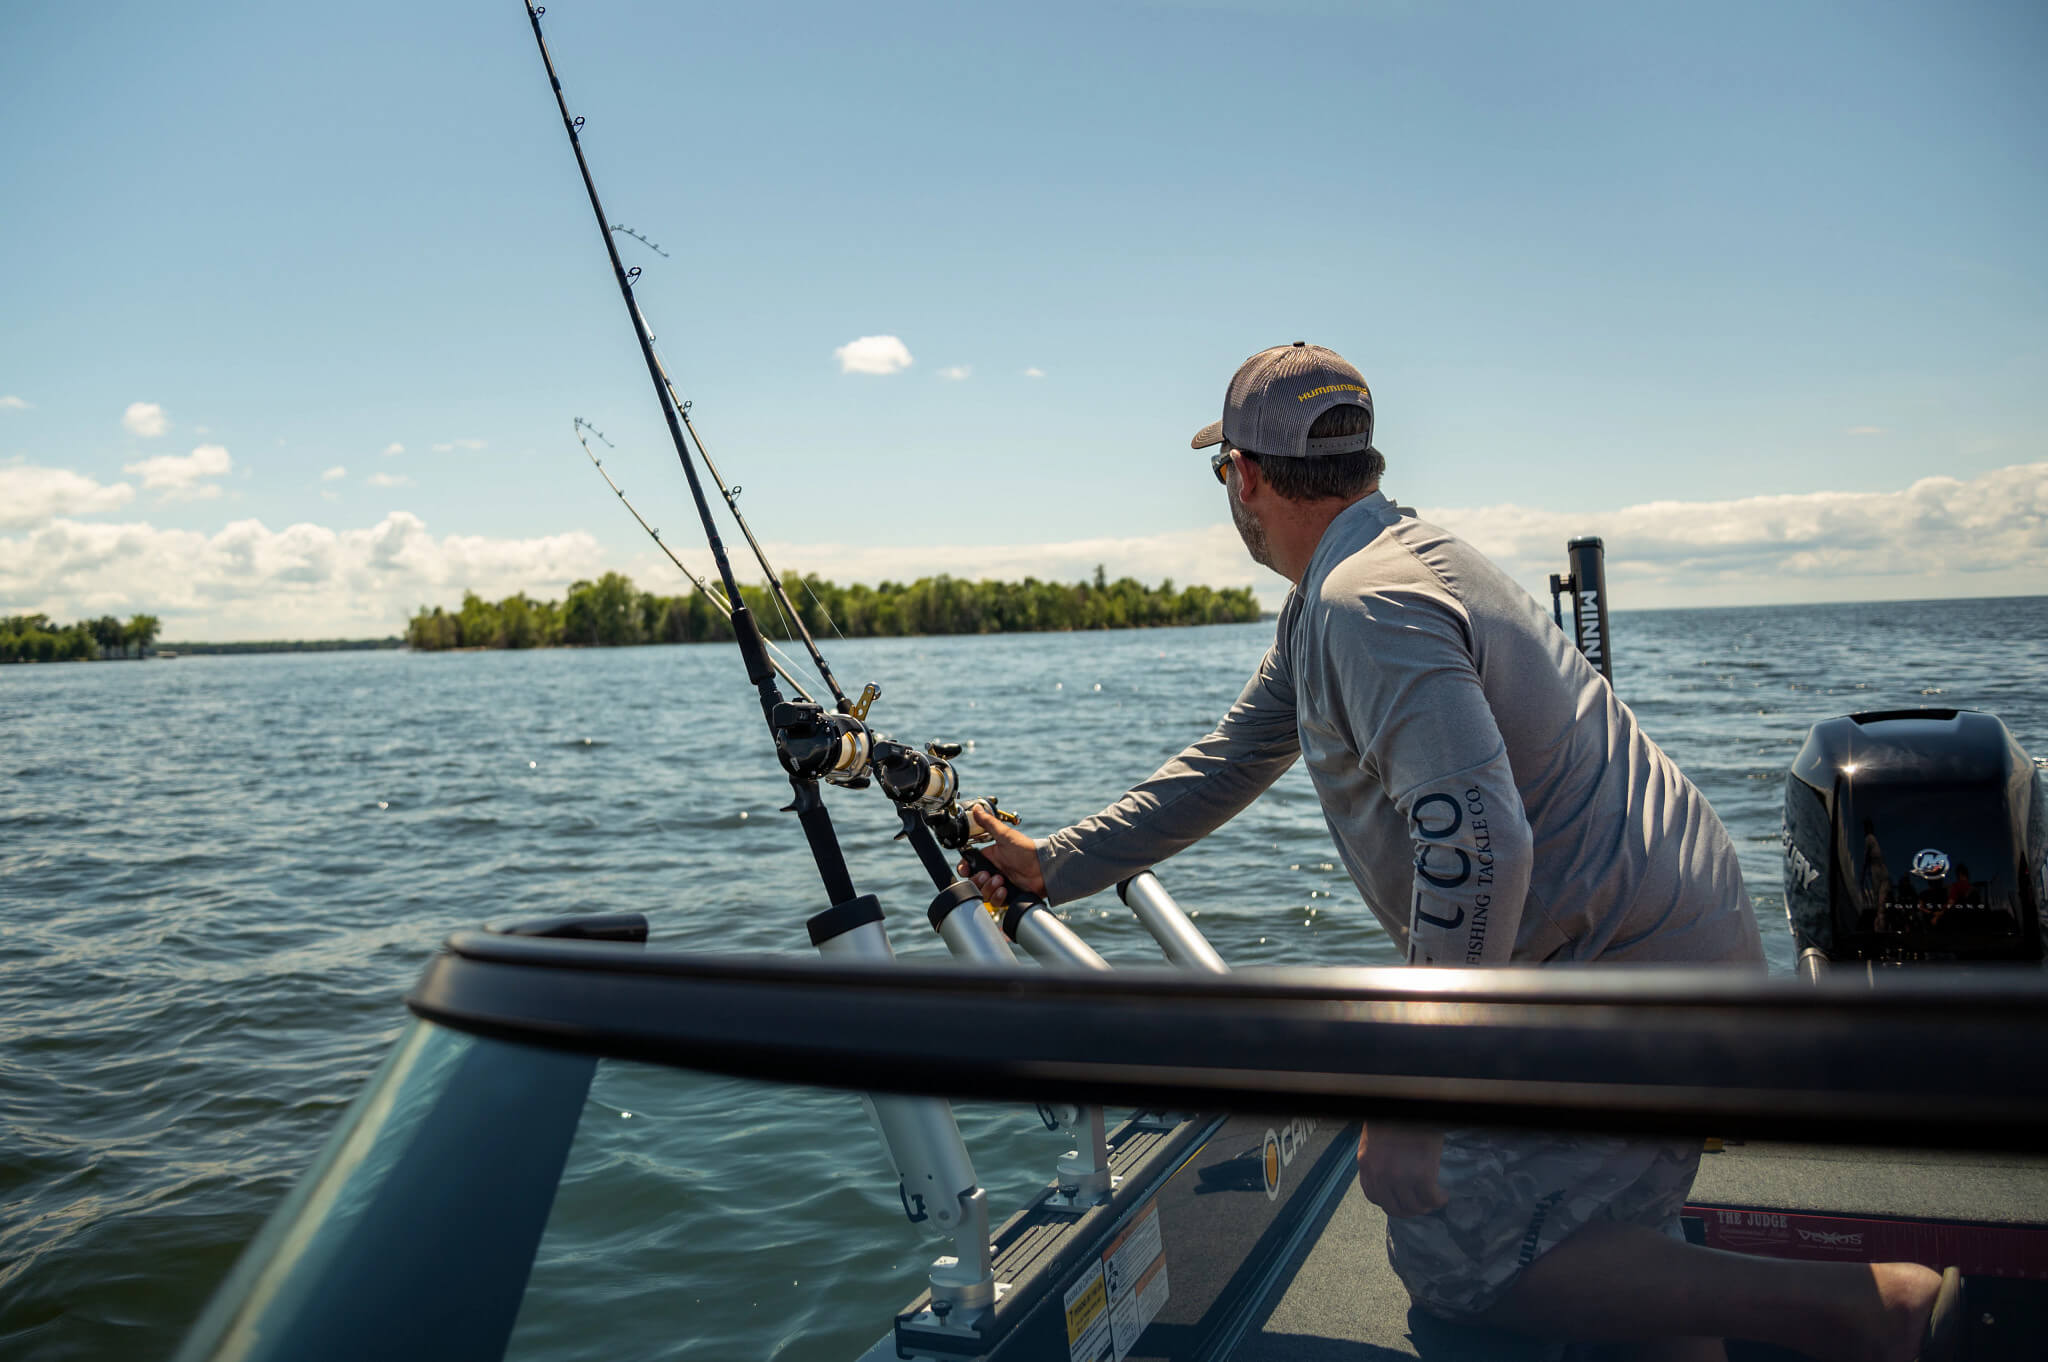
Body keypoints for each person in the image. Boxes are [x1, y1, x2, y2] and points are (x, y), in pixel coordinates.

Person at [960, 342, 1958, 1361]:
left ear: (1245, 476)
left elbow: (1478, 845)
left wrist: (1419, 1085)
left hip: (1624, 979)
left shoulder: (1364, 603)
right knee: (1598, 1223)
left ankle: (1871, 1309)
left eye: (1222, 469)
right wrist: (1055, 864)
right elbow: (1231, 758)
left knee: (1460, 1258)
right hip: (1653, 953)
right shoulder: (1363, 579)